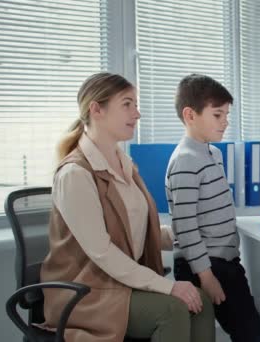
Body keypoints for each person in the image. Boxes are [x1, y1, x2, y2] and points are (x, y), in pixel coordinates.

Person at [40, 72, 215, 342]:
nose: (137, 113)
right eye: (127, 104)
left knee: (199, 301)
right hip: (87, 293)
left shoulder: (122, 163)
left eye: (135, 104)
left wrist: (192, 234)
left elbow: (138, 228)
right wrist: (167, 286)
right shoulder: (75, 174)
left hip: (118, 284)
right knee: (172, 309)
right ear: (96, 109)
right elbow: (103, 252)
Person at [165, 74, 260, 342]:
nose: (226, 122)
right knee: (247, 331)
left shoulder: (213, 154)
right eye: (218, 115)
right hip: (205, 266)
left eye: (227, 115)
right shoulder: (185, 161)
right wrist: (206, 277)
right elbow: (185, 228)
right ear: (190, 115)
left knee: (248, 329)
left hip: (225, 261)